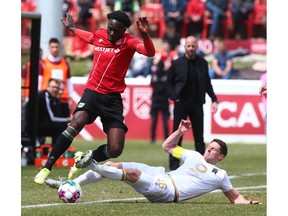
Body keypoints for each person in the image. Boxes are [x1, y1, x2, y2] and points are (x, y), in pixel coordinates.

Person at [34, 10, 155, 184]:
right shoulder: (101, 35)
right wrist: (72, 28)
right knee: (76, 122)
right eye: (109, 28)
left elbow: (149, 52)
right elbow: (89, 36)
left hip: (112, 99)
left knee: (115, 149)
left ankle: (87, 157)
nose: (111, 33)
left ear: (124, 30)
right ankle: (47, 166)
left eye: (116, 30)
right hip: (92, 93)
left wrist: (145, 35)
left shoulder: (129, 42)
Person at [45, 119, 262, 205]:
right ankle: (71, 184)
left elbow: (235, 198)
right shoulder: (195, 156)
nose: (209, 149)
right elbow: (167, 147)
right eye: (210, 146)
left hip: (169, 191)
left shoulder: (220, 176)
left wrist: (247, 202)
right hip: (162, 175)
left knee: (134, 175)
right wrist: (178, 132)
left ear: (221, 157)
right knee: (113, 166)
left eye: (214, 149)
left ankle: (91, 164)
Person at [167, 36, 218, 170]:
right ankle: (174, 169)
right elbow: (168, 82)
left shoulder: (202, 63)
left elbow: (207, 83)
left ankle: (201, 168)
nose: (191, 48)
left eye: (193, 46)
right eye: (188, 46)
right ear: (185, 47)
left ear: (196, 47)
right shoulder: (177, 63)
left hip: (197, 104)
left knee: (199, 138)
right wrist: (173, 96)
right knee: (177, 137)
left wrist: (214, 99)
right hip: (181, 103)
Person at [24, 78, 71, 147]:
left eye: (57, 88)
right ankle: (55, 150)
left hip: (35, 125)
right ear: (48, 87)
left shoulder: (51, 98)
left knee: (60, 125)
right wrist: (68, 119)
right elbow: (52, 118)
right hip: (31, 127)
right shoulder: (44, 96)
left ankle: (55, 148)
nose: (55, 90)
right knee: (61, 126)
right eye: (53, 87)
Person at [39, 37, 74, 113]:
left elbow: (69, 81)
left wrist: (70, 97)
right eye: (52, 47)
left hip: (62, 98)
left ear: (60, 48)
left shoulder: (65, 63)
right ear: (49, 48)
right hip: (47, 97)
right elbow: (39, 80)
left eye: (56, 47)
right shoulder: (43, 63)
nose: (55, 49)